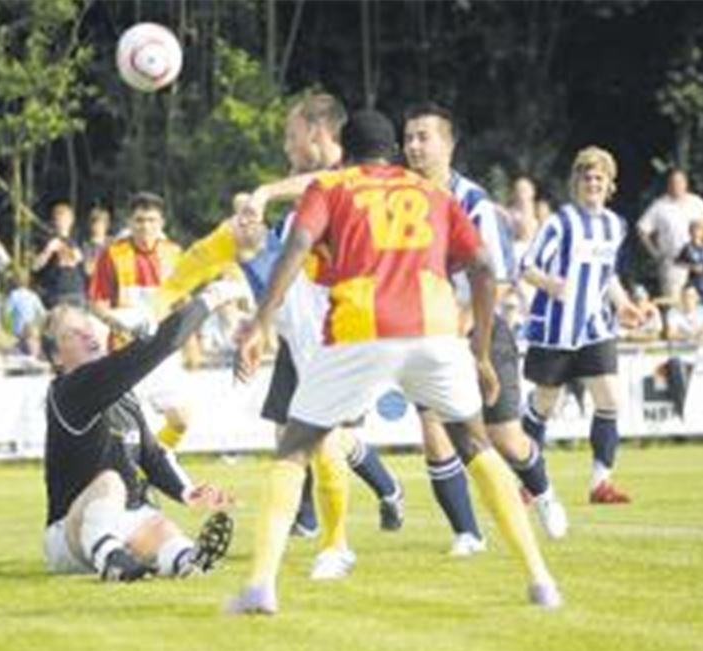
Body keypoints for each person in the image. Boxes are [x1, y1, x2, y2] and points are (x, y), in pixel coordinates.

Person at [229, 110, 561, 614]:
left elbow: (297, 245)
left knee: (294, 448)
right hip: (434, 331)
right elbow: (483, 267)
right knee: (476, 443)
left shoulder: (333, 186)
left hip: (361, 327)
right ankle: (540, 580)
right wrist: (481, 353)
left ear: (346, 146)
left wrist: (260, 320)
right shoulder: (433, 194)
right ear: (394, 150)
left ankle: (260, 585)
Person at [162, 93, 409, 566]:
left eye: (292, 136)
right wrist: (261, 319)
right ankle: (314, 521)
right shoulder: (303, 201)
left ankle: (361, 513)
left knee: (324, 436)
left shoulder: (346, 178)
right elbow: (285, 272)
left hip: (336, 334)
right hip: (302, 334)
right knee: (290, 431)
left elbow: (326, 181)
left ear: (319, 133)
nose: (286, 146)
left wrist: (266, 191)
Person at [403, 103, 569, 548]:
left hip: (480, 331)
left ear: (449, 145)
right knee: (434, 434)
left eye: (424, 136)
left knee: (505, 439)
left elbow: (493, 279)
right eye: (409, 138)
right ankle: (467, 534)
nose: (414, 146)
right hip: (427, 335)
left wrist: (463, 330)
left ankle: (544, 492)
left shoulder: (474, 203)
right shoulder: (399, 199)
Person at [41, 281, 243, 581]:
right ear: (57, 357)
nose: (87, 333)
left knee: (162, 529)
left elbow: (151, 453)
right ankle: (110, 558)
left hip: (122, 517)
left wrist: (186, 490)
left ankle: (187, 559)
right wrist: (209, 300)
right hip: (70, 532)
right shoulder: (69, 389)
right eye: (72, 333)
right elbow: (162, 345)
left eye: (87, 326)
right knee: (111, 481)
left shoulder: (123, 395)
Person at [521, 146, 644, 505]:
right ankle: (528, 481)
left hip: (595, 328)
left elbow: (608, 276)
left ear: (610, 185)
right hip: (555, 329)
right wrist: (552, 286)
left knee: (609, 400)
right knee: (544, 404)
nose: (593, 183)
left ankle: (600, 484)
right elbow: (526, 266)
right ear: (577, 183)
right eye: (587, 177)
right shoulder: (560, 222)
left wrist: (623, 306)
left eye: (599, 178)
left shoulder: (615, 225)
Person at [88, 192, 191, 451]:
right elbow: (96, 304)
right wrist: (119, 325)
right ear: (130, 222)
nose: (145, 227)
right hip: (126, 351)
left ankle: (148, 470)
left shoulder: (174, 254)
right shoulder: (112, 254)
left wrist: (191, 341)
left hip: (163, 350)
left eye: (152, 220)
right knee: (125, 430)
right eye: (139, 220)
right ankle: (123, 480)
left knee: (180, 421)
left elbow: (183, 303)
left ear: (162, 223)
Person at [637, 168, 703, 302]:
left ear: (686, 184)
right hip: (673, 264)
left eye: (680, 182)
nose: (676, 185)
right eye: (673, 182)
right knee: (674, 303)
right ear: (668, 185)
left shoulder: (697, 202)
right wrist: (655, 253)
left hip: (698, 263)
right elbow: (641, 229)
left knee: (701, 302)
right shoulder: (659, 205)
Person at [33, 202, 88, 308]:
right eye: (58, 219)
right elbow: (35, 267)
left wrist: (80, 257)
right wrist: (47, 251)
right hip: (55, 294)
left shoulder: (79, 241)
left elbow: (87, 269)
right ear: (54, 221)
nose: (61, 222)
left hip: (76, 293)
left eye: (65, 219)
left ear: (71, 221)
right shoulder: (46, 241)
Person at [677, 218, 703, 303]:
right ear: (690, 232)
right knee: (695, 302)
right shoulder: (687, 248)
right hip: (694, 281)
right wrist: (692, 267)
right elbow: (678, 262)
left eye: (699, 230)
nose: (696, 233)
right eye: (694, 230)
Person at [4, 268, 47, 339]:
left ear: (16, 281)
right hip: (31, 331)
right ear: (28, 281)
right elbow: (43, 313)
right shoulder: (33, 295)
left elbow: (6, 312)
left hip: (18, 331)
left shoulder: (14, 295)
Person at [82, 205, 113, 276]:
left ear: (107, 225)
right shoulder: (87, 245)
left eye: (101, 223)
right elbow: (88, 271)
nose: (97, 227)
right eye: (94, 223)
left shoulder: (113, 243)